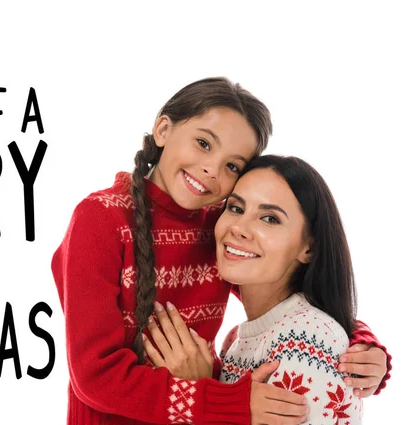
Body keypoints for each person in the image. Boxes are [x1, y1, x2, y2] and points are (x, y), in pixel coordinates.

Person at [51, 78, 390, 425]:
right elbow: (95, 376)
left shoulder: (220, 225)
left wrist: (360, 344)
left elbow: (288, 300)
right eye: (203, 143)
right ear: (164, 129)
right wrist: (226, 402)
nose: (212, 170)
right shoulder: (100, 220)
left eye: (233, 166)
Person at [143, 155, 378, 424]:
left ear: (308, 247)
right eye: (235, 208)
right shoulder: (235, 341)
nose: (239, 228)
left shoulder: (306, 338)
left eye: (269, 218)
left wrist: (200, 390)